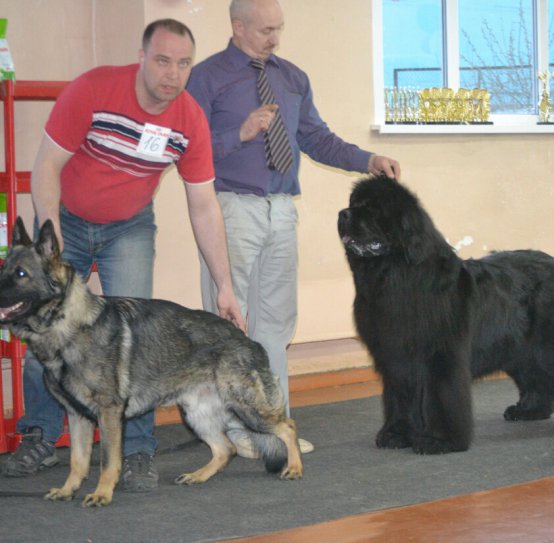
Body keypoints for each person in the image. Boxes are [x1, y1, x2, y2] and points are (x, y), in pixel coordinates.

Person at [1, 19, 245, 493]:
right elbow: (47, 166)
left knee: (134, 340)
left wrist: (225, 286)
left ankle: (135, 452)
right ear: (141, 56)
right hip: (67, 218)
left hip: (129, 228)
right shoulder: (93, 89)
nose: (172, 73)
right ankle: (39, 435)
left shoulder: (189, 119)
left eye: (183, 63)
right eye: (162, 60)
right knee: (44, 327)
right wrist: (51, 250)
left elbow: (204, 206)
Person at [187, 0, 400, 454]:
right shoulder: (207, 76)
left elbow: (316, 139)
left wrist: (369, 160)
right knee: (229, 325)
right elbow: (187, 146)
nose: (274, 38)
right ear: (237, 26)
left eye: (278, 29)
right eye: (265, 29)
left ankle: (272, 426)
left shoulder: (292, 78)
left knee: (276, 326)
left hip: (281, 209)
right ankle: (232, 429)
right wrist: (237, 135)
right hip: (231, 206)